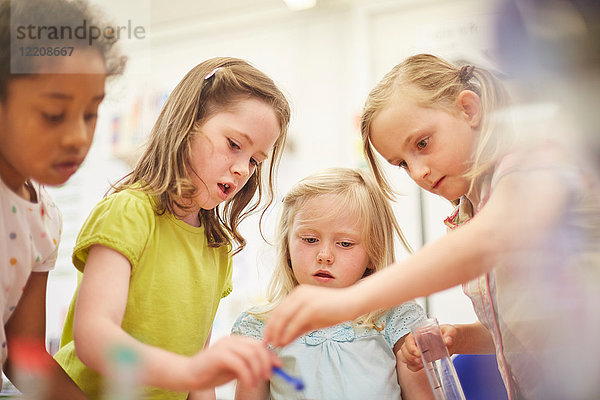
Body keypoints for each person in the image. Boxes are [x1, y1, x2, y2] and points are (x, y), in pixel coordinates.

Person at [264, 53, 600, 399]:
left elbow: (489, 240)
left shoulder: (534, 157)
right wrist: (462, 336)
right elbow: (533, 327)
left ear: (468, 110)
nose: (419, 172)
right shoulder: (472, 208)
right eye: (402, 164)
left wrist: (349, 302)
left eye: (423, 144)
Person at [53, 57, 290, 399]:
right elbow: (95, 339)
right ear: (186, 125)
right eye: (234, 145)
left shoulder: (216, 247)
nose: (242, 169)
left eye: (254, 160)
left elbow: (199, 375)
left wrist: (196, 374)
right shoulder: (129, 212)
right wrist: (188, 371)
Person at [0, 0, 126, 398]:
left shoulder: (43, 217)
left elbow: (24, 353)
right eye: (54, 114)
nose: (78, 136)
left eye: (90, 114)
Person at [232, 167, 433, 400]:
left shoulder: (396, 321)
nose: (325, 255)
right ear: (287, 245)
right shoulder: (260, 329)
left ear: (374, 254)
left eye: (345, 244)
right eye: (310, 239)